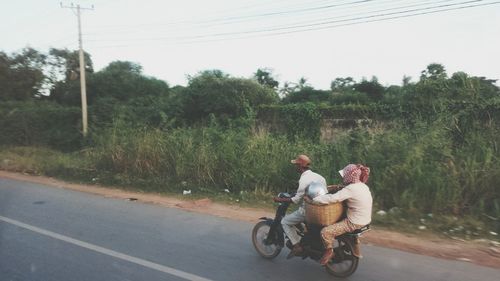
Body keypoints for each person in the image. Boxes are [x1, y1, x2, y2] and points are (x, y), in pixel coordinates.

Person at [311, 164, 372, 266]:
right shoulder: (363, 186)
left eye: (345, 175)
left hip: (353, 222)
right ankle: (352, 245)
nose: (343, 177)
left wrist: (315, 199)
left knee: (325, 232)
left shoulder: (350, 189)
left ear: (349, 176)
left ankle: (329, 251)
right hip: (365, 219)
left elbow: (333, 198)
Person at [273, 154, 327, 259]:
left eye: (296, 165)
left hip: (308, 210)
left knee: (285, 222)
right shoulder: (320, 177)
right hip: (321, 209)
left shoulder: (303, 180)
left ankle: (297, 245)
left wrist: (279, 199)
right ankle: (304, 235)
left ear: (300, 166)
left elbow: (296, 200)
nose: (295, 167)